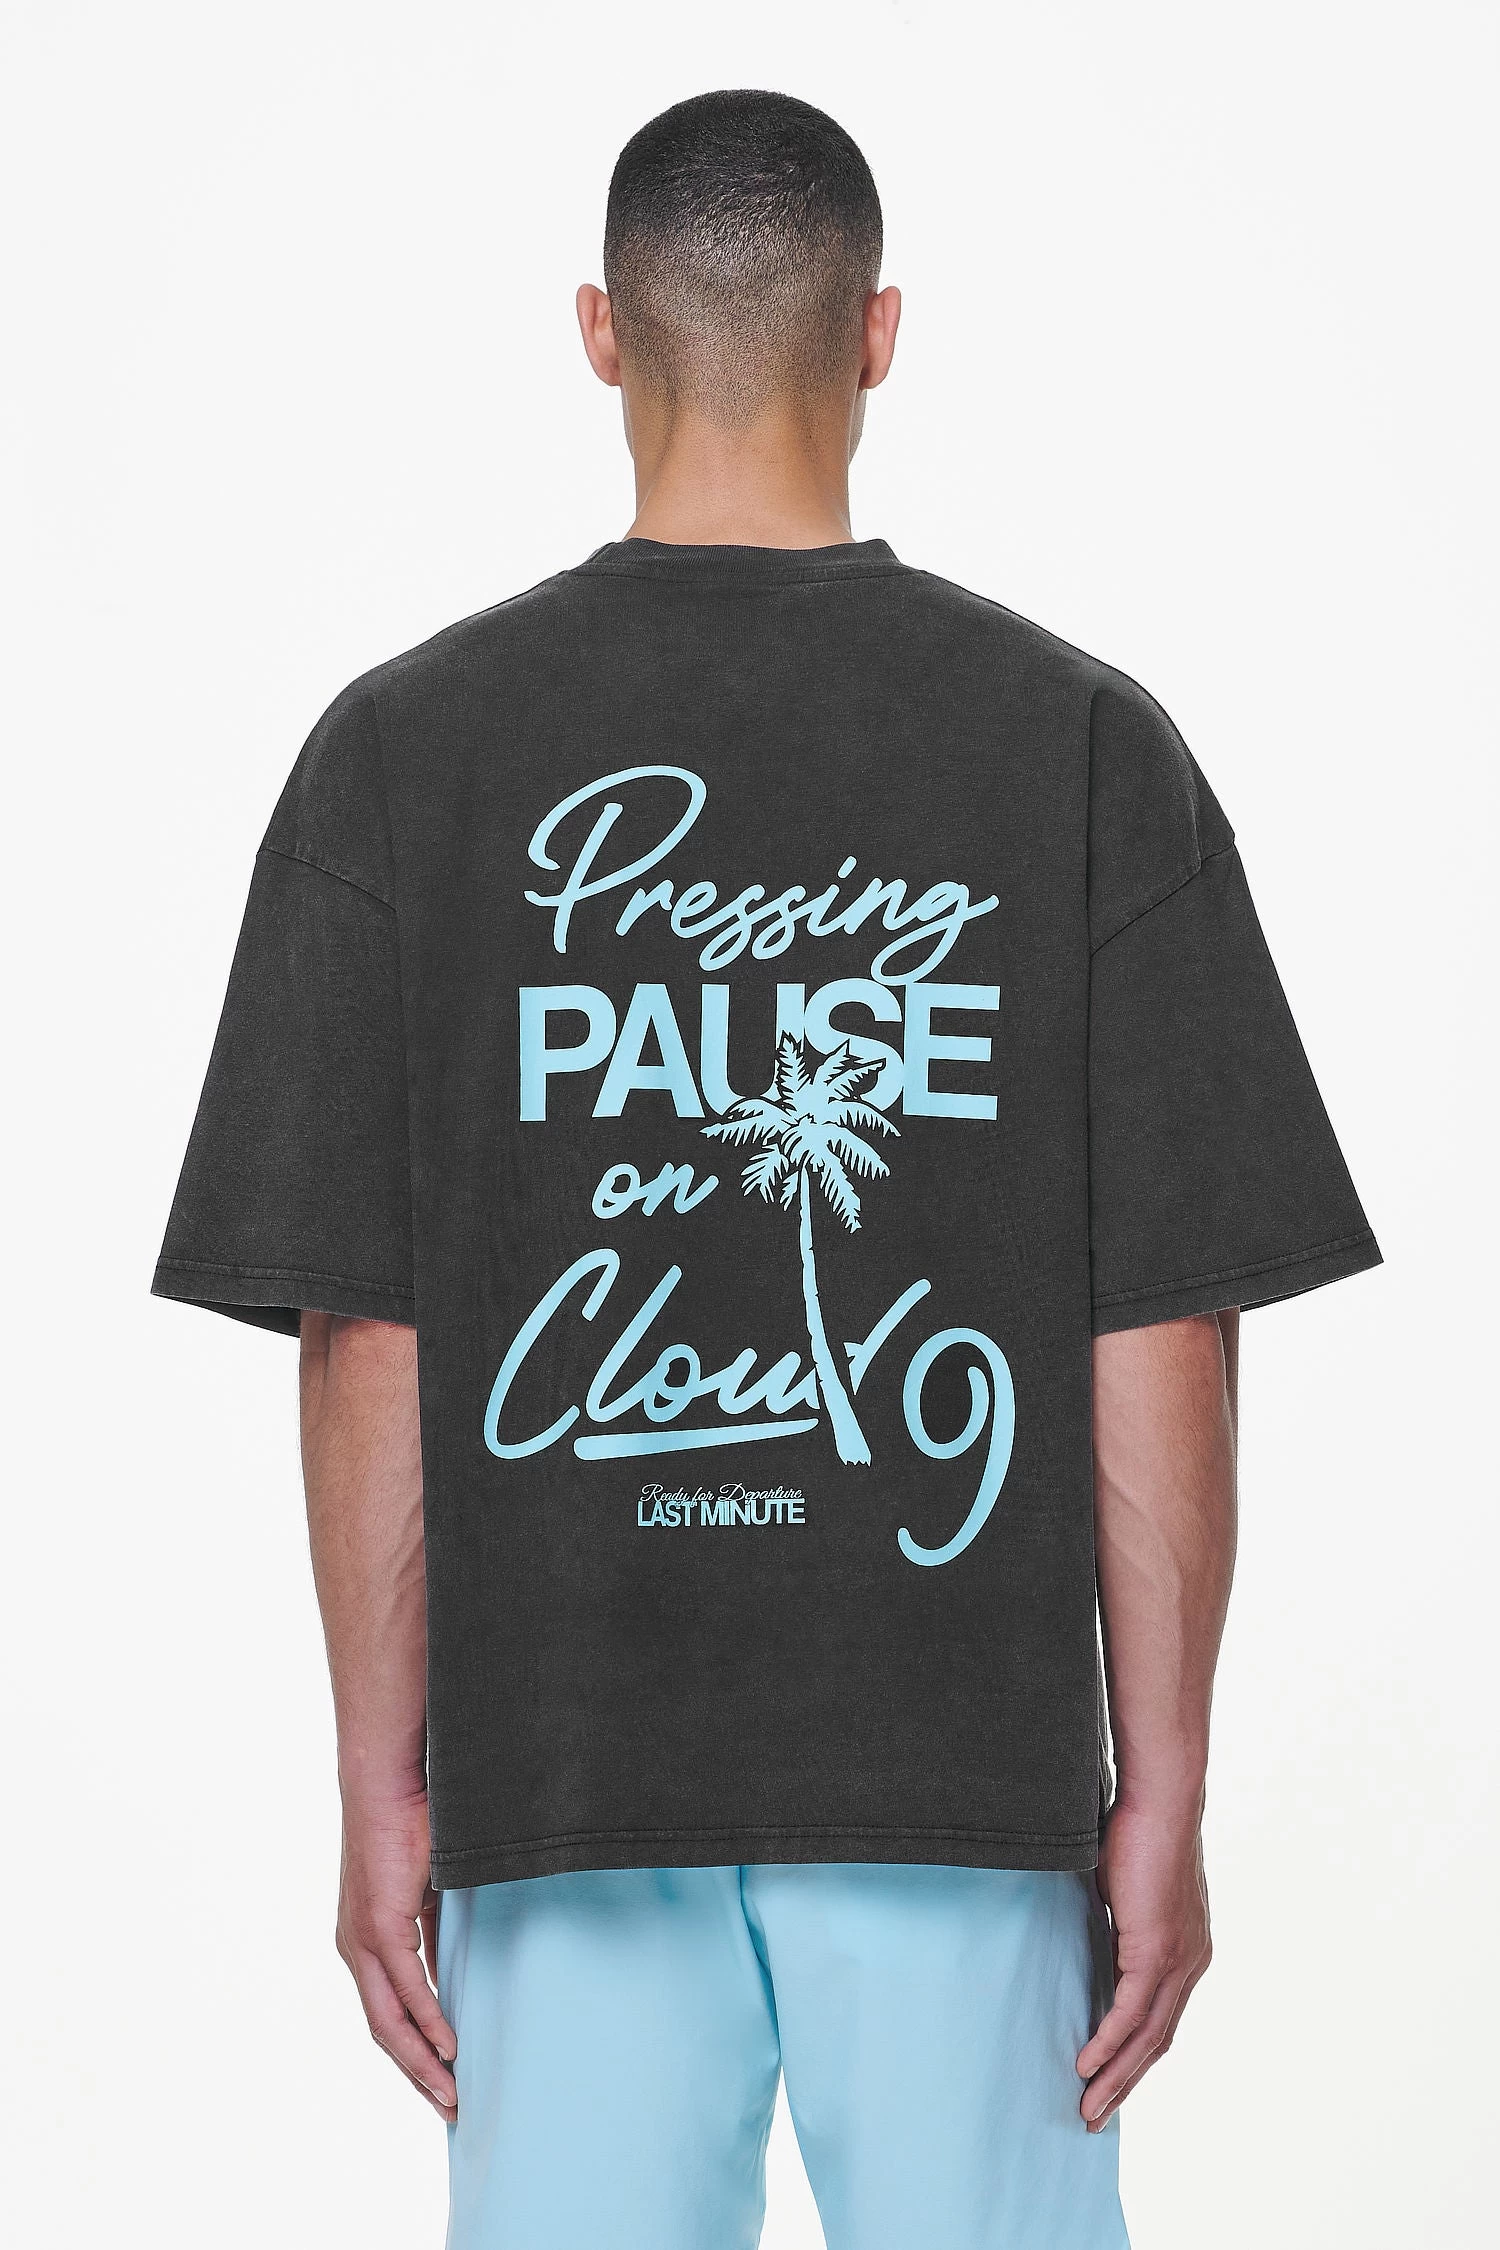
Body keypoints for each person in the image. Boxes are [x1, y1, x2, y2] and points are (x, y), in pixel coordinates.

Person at [153, 88, 1380, 2250]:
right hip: (958, 1789)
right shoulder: (1080, 745)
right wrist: (1165, 1786)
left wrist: (382, 1780)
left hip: (568, 1783)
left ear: (599, 334)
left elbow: (369, 1336)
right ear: (881, 333)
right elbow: (1159, 1325)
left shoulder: (402, 757)